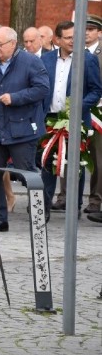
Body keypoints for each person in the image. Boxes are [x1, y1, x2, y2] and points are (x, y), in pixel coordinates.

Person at [0, 26, 49, 232]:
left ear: (13, 44)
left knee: (26, 173)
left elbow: (42, 89)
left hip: (22, 129)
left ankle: (42, 209)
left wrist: (15, 98)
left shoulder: (30, 61)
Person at [40, 20, 102, 218]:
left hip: (75, 121)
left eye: (76, 37)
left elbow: (96, 90)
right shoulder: (46, 59)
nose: (73, 41)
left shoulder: (87, 59)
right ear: (57, 39)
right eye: (68, 38)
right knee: (48, 164)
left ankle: (74, 208)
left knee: (76, 165)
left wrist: (76, 107)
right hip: (50, 120)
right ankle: (45, 207)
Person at [81, 15, 102, 215]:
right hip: (76, 109)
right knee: (70, 154)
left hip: (99, 112)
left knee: (97, 158)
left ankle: (95, 199)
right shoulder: (75, 50)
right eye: (84, 28)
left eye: (91, 29)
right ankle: (66, 197)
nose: (86, 32)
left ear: (99, 32)